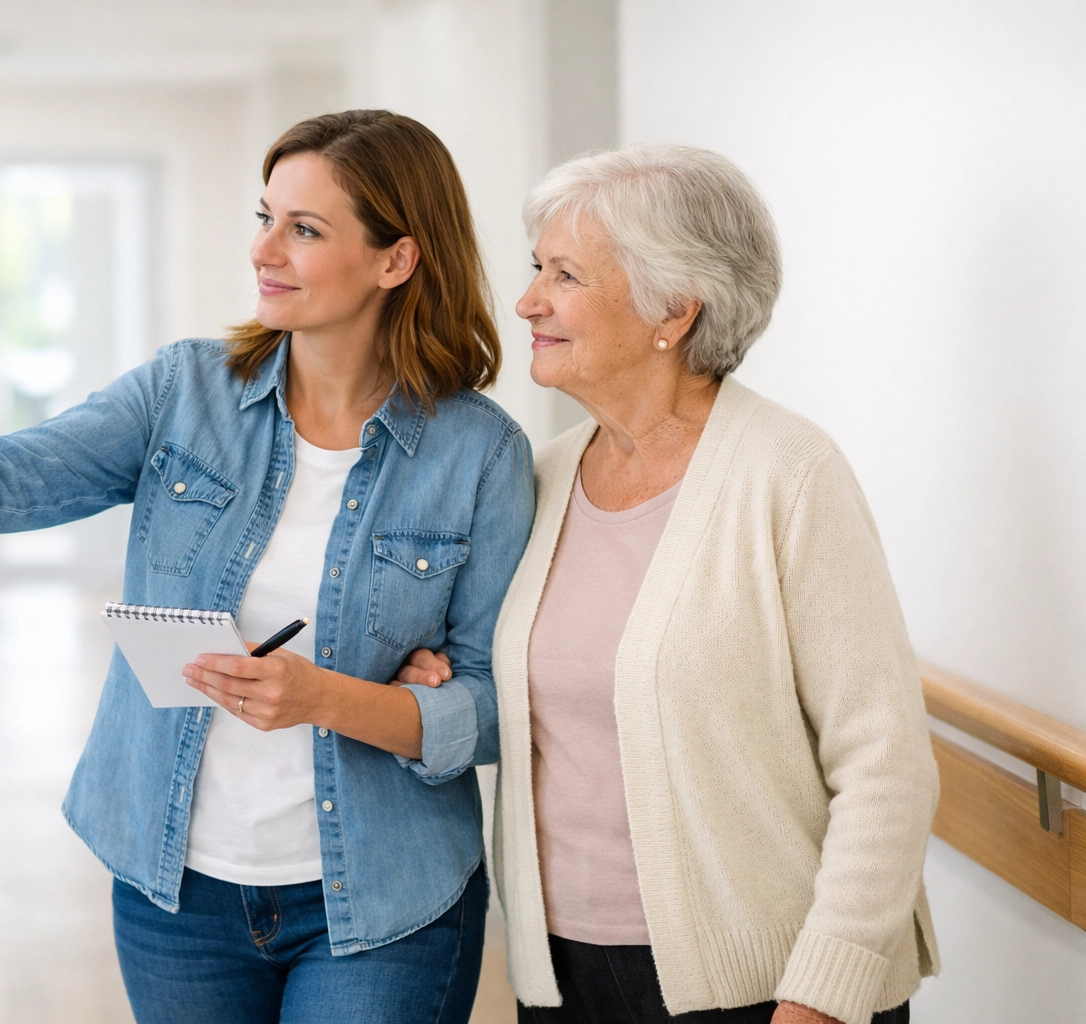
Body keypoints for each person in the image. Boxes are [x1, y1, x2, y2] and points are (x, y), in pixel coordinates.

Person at [0, 110, 534, 1024]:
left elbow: (493, 708)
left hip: (383, 901)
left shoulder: (479, 457)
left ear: (395, 260)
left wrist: (332, 698)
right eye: (264, 216)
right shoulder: (183, 393)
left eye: (306, 229)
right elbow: (6, 479)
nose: (264, 249)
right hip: (177, 892)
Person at [397, 144, 939, 1024]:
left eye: (565, 275)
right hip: (563, 975)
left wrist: (823, 994)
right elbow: (561, 694)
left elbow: (885, 762)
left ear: (674, 311)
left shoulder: (788, 475)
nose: (529, 300)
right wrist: (459, 682)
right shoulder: (539, 478)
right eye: (538, 269)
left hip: (766, 988)